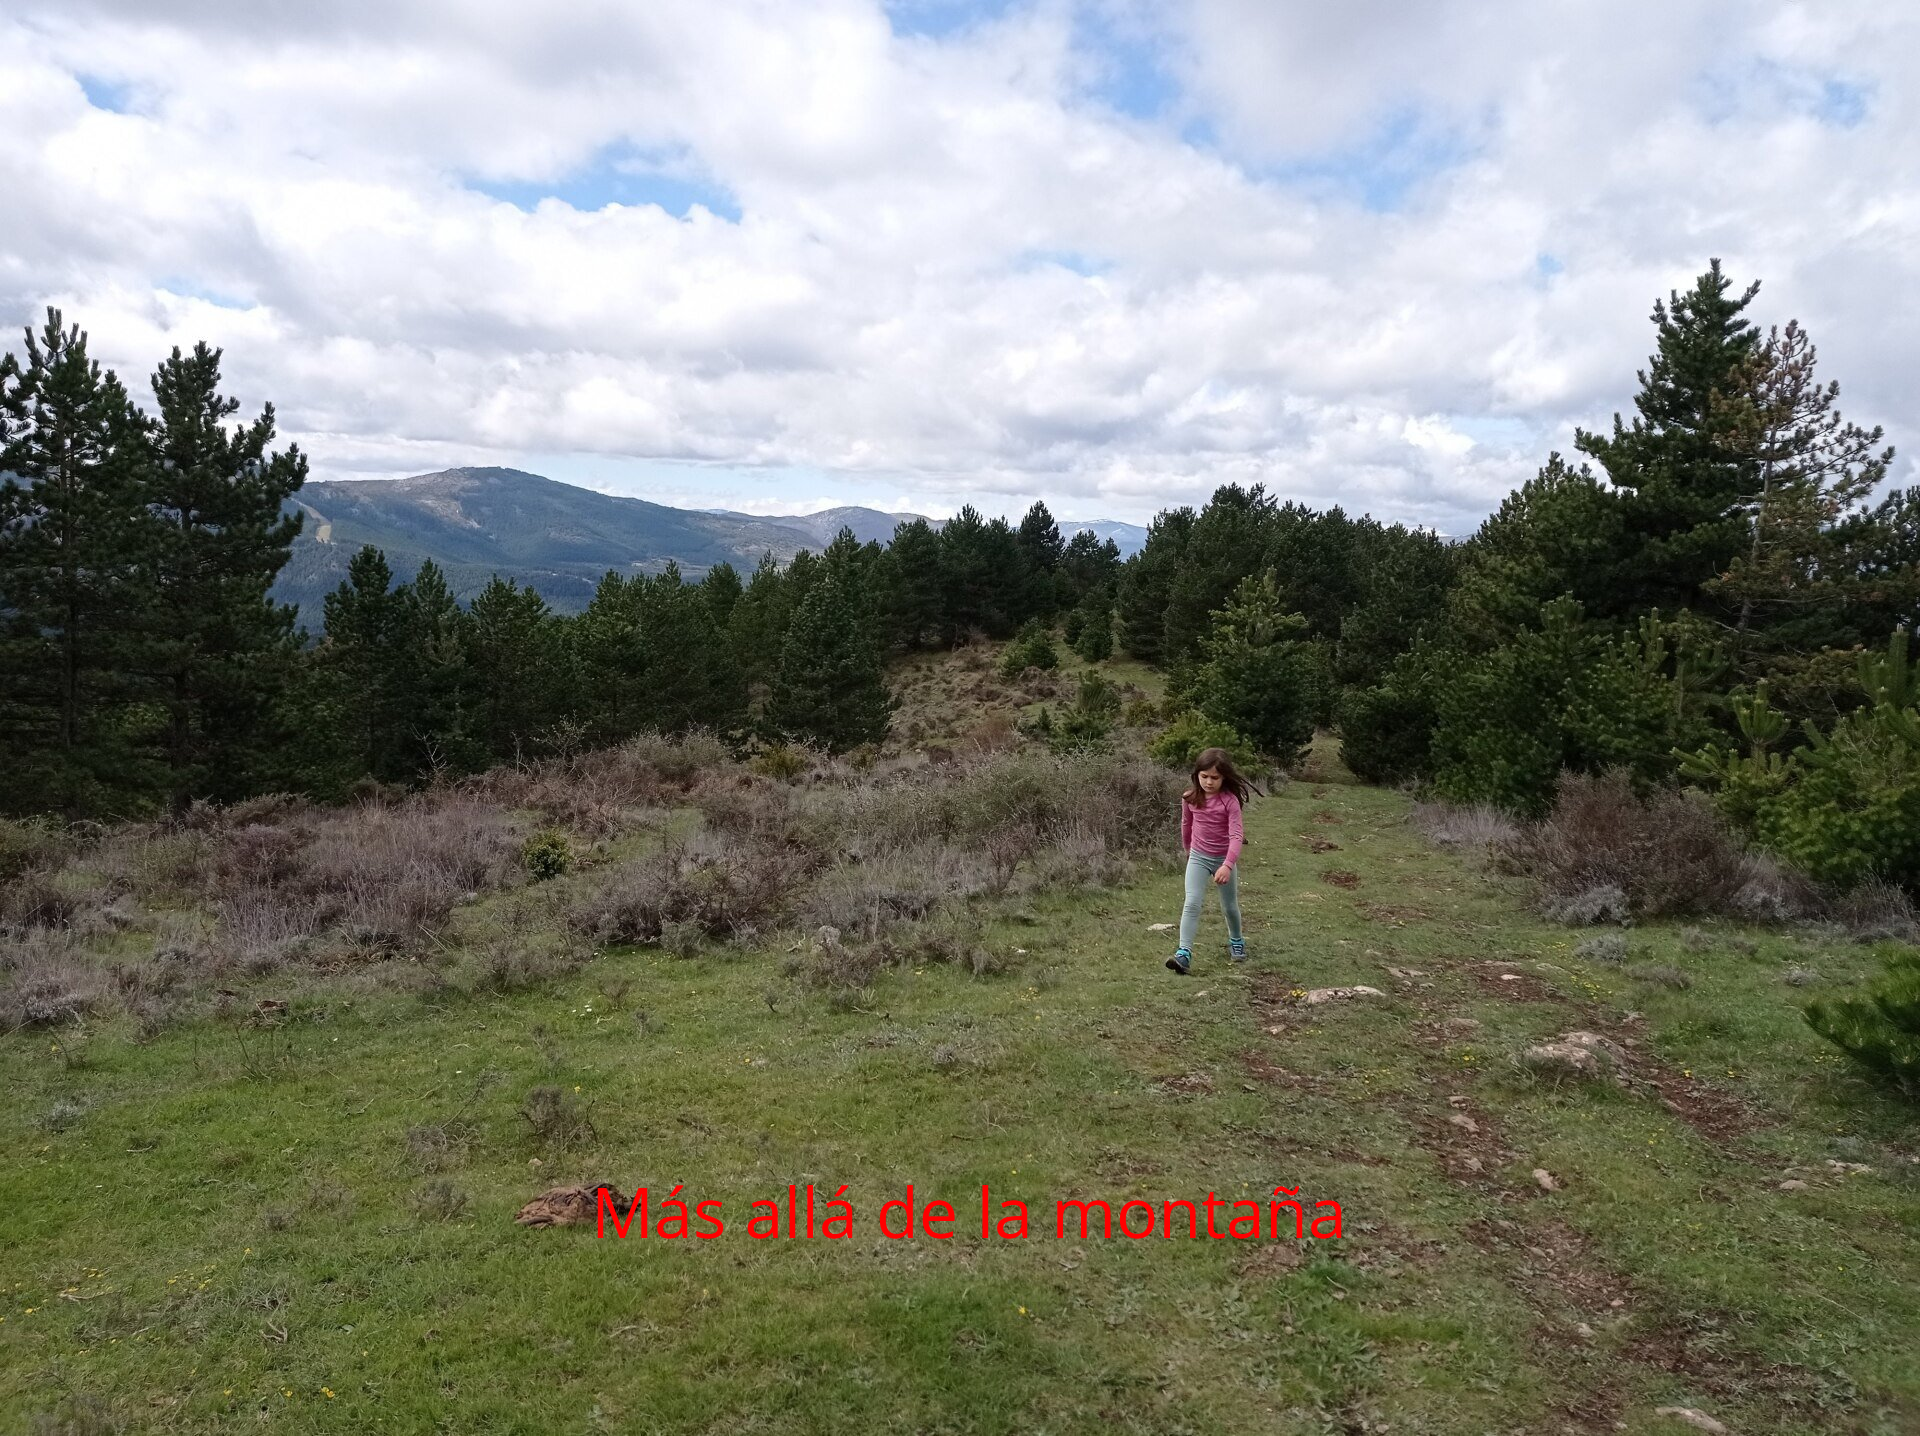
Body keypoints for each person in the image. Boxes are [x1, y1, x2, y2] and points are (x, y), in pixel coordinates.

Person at [1166, 747, 1252, 974]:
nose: (1209, 782)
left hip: (1224, 859)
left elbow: (1236, 835)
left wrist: (1227, 864)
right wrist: (1188, 851)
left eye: (1215, 777)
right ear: (1197, 775)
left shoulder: (1229, 802)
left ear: (1224, 777)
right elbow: (1186, 825)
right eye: (1204, 776)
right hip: (1198, 857)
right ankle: (1183, 953)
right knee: (1192, 902)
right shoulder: (1189, 798)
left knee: (1229, 906)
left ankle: (1237, 940)